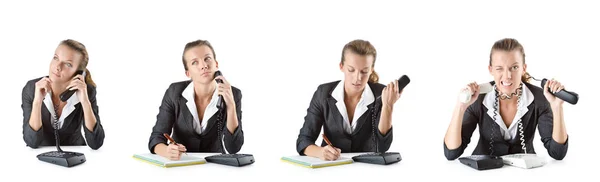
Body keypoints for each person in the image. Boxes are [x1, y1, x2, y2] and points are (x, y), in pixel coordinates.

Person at [443, 38, 569, 160]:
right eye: (499, 68)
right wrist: (461, 106)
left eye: (514, 67)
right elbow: (451, 153)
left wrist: (557, 107)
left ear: (523, 69)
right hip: (484, 174)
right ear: (491, 70)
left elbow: (557, 153)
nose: (507, 76)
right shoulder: (478, 98)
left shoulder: (539, 98)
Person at [296, 39, 402, 161]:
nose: (358, 78)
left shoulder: (381, 94)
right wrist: (320, 152)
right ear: (341, 66)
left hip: (368, 168)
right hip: (331, 168)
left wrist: (388, 106)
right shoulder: (323, 93)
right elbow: (303, 140)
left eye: (364, 71)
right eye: (351, 70)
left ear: (371, 70)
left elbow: (383, 147)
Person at [148, 39, 244, 160]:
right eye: (194, 62)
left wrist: (230, 105)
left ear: (216, 64)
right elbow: (156, 138)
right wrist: (166, 151)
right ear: (188, 73)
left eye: (207, 58)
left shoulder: (233, 93)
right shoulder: (174, 92)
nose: (204, 66)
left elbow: (234, 148)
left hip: (215, 166)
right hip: (182, 163)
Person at [22, 39, 105, 149]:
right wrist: (37, 101)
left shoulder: (87, 91)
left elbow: (96, 143)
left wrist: (85, 102)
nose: (57, 67)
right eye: (56, 58)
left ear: (78, 73)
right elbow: (32, 142)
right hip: (41, 157)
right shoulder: (33, 88)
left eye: (68, 64)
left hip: (76, 155)